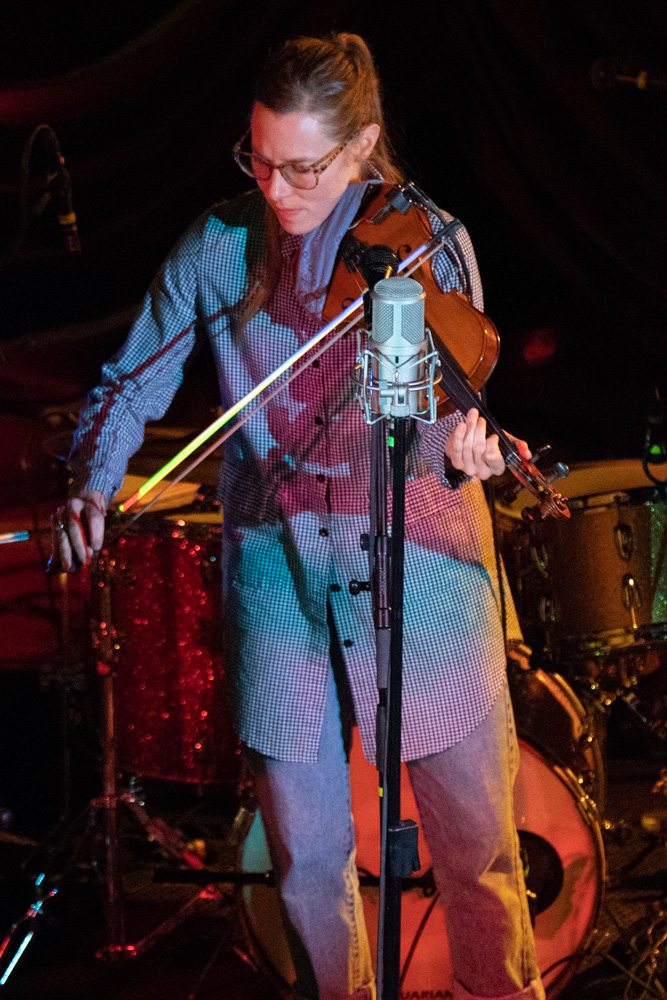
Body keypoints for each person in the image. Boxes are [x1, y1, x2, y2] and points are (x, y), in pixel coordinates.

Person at [52, 33, 545, 1000]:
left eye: (303, 168)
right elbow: (127, 384)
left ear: (362, 146)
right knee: (310, 868)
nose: (276, 192)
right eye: (260, 161)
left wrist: (457, 449)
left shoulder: (413, 253)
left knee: (475, 859)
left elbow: (415, 418)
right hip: (277, 577)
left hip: (420, 576)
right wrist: (90, 481)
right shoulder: (222, 245)